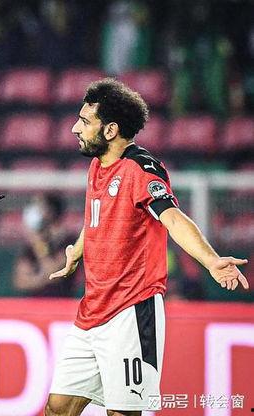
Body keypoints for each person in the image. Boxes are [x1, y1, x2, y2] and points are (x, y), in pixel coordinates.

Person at [44, 78, 249, 416]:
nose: (74, 128)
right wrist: (77, 250)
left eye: (84, 121)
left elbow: (173, 218)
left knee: (122, 412)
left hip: (131, 311)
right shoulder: (98, 164)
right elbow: (97, 216)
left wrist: (211, 260)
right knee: (58, 408)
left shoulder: (141, 169)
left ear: (110, 130)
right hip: (92, 310)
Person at [13, 193, 79, 297]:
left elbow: (53, 273)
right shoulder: (35, 241)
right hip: (36, 303)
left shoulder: (70, 242)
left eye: (40, 208)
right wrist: (41, 280)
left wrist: (39, 246)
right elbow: (20, 282)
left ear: (50, 212)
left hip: (61, 302)